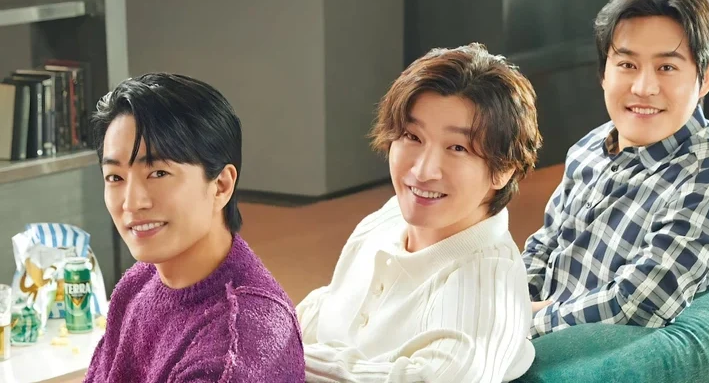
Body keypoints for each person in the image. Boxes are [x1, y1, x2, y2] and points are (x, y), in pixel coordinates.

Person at [296, 43, 543, 383]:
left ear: (503, 169)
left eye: (457, 147)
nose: (423, 171)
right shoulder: (389, 218)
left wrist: (281, 358)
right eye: (412, 136)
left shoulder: (487, 290)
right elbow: (327, 308)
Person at [524, 0, 709, 338]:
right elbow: (544, 246)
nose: (643, 88)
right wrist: (505, 304)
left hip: (579, 352)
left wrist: (524, 323)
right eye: (627, 64)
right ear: (604, 73)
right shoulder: (589, 146)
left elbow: (639, 303)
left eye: (667, 67)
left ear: (705, 77)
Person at [84, 73, 305, 382]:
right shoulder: (138, 284)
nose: (131, 203)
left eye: (158, 173)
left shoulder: (239, 346)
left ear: (221, 185)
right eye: (115, 177)